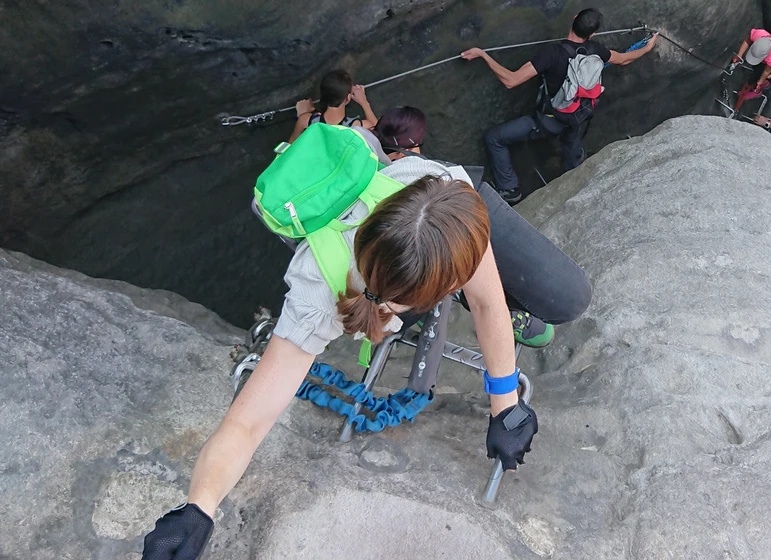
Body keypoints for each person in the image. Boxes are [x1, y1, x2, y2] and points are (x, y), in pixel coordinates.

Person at [142, 159, 592, 560]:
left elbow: (489, 300)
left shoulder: (442, 190)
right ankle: (432, 307)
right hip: (393, 274)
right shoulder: (316, 296)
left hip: (440, 218)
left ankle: (494, 303)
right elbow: (247, 422)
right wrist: (198, 508)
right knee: (450, 301)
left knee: (569, 297)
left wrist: (505, 404)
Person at [461, 9, 658, 204]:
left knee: (494, 138)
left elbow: (511, 80)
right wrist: (647, 48)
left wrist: (483, 55)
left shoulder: (552, 54)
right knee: (573, 152)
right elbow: (624, 59)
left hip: (549, 121)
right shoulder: (597, 50)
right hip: (579, 117)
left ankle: (509, 189)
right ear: (592, 34)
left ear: (573, 19)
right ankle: (579, 172)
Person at [287, 69, 378, 143]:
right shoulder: (355, 126)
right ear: (348, 98)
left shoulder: (305, 121)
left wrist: (303, 114)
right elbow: (378, 130)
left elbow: (290, 147)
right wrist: (364, 102)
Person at [729, 28, 771, 98]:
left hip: (768, 64)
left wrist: (759, 83)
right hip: (762, 59)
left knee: (760, 73)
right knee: (756, 68)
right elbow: (747, 41)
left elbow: (766, 71)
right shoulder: (759, 34)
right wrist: (739, 56)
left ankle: (761, 88)